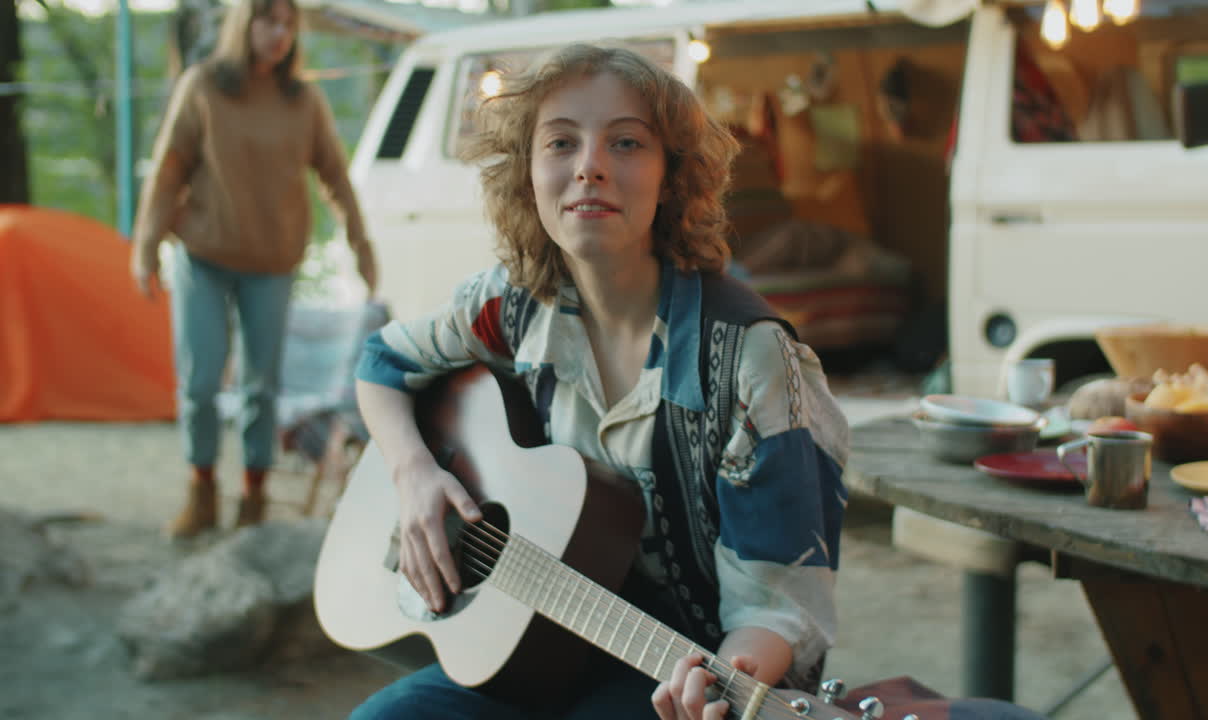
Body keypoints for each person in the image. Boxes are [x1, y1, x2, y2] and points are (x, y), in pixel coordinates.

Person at [349, 43, 850, 720]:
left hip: (667, 672)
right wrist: (413, 475)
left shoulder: (748, 362)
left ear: (671, 177)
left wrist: (728, 683)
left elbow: (778, 608)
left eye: (626, 143)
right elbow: (382, 365)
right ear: (527, 175)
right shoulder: (512, 305)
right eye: (561, 142)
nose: (589, 167)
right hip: (526, 642)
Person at [130, 0, 378, 537]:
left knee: (260, 385)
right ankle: (201, 489)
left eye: (288, 24)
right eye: (269, 20)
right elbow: (169, 167)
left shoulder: (303, 100)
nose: (279, 33)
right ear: (246, 24)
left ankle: (254, 496)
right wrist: (146, 245)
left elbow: (335, 177)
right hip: (204, 255)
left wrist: (362, 245)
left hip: (272, 262)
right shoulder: (204, 87)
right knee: (199, 379)